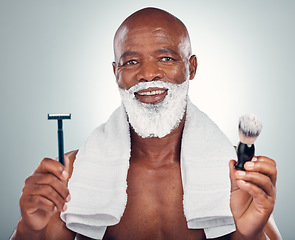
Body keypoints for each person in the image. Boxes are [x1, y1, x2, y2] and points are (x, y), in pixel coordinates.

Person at [11, 7, 282, 240]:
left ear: (192, 67)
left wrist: (250, 235)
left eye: (166, 58)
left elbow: (255, 230)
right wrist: (30, 228)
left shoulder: (233, 175)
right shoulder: (74, 174)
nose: (148, 74)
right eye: (131, 62)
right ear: (116, 73)